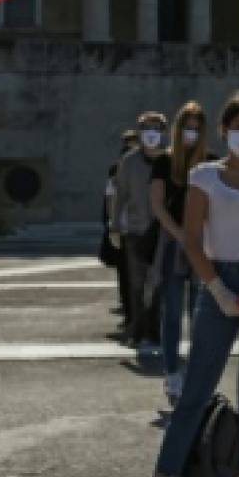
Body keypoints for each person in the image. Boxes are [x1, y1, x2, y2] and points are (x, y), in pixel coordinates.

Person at [117, 90, 239, 477]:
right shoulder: (204, 176)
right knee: (195, 390)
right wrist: (217, 291)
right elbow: (192, 239)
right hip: (220, 279)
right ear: (224, 132)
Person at [150, 102, 213, 404]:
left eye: (197, 128)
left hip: (203, 245)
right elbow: (157, 205)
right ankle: (172, 372)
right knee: (172, 312)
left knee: (200, 315)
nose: (192, 133)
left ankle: (198, 376)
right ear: (178, 129)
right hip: (174, 243)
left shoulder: (211, 163)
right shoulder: (164, 162)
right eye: (187, 127)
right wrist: (180, 235)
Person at [112, 112, 168, 354]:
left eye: (156, 127)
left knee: (158, 286)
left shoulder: (170, 160)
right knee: (136, 285)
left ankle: (155, 332)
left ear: (164, 131)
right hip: (135, 231)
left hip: (163, 233)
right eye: (146, 127)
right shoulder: (129, 162)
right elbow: (120, 194)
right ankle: (137, 331)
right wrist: (114, 224)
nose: (151, 132)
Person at [106, 130, 140, 332]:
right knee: (127, 277)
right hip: (126, 231)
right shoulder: (115, 172)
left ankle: (138, 318)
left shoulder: (148, 168)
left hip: (140, 230)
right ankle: (131, 316)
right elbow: (111, 201)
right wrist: (113, 226)